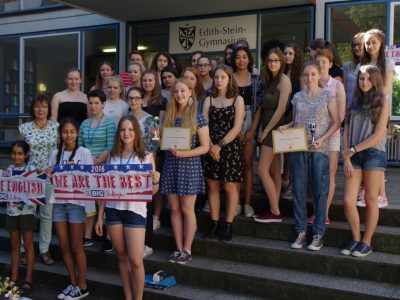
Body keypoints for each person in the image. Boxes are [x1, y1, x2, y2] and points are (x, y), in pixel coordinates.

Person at [95, 116, 160, 300]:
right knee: (122, 258)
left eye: (131, 129)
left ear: (136, 132)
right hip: (113, 211)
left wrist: (156, 181)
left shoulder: (146, 155)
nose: (127, 133)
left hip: (135, 212)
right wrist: (100, 216)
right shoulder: (112, 156)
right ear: (118, 133)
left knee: (136, 260)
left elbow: (152, 191)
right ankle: (128, 296)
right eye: (123, 130)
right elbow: (104, 188)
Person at [281, 61, 339, 251]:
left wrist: (323, 139)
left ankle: (318, 233)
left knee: (319, 193)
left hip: (319, 151)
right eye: (306, 75)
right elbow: (295, 121)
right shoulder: (297, 97)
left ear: (318, 75)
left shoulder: (328, 96)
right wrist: (286, 127)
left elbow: (337, 122)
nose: (309, 78)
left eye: (313, 74)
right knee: (298, 191)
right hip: (299, 149)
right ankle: (301, 232)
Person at [160, 79, 210, 264]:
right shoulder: (169, 116)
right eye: (176, 91)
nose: (179, 94)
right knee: (174, 209)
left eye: (183, 91)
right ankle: (178, 247)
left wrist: (184, 153)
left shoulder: (198, 117)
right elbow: (162, 143)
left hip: (189, 166)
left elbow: (205, 147)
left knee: (187, 209)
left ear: (190, 93)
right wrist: (157, 139)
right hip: (171, 165)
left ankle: (187, 249)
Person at [341, 65, 389, 258]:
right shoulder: (353, 103)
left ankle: (367, 242)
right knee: (348, 201)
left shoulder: (382, 102)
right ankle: (355, 238)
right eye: (361, 79)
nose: (365, 82)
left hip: (373, 154)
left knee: (370, 199)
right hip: (353, 155)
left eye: (369, 79)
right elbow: (345, 131)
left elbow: (378, 136)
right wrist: (346, 156)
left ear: (375, 80)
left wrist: (352, 150)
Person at [47, 118, 95, 300]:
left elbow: (90, 179)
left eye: (72, 131)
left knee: (76, 246)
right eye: (65, 132)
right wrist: (50, 175)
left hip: (76, 204)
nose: (68, 135)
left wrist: (78, 171)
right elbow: (54, 179)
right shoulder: (55, 154)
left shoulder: (84, 152)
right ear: (61, 134)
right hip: (59, 202)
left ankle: (83, 285)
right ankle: (73, 283)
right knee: (64, 245)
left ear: (77, 133)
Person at [202, 65, 245, 241]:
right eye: (217, 77)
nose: (219, 80)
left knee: (229, 186)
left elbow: (237, 127)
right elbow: (203, 124)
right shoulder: (208, 100)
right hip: (210, 146)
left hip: (230, 148)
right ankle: (214, 224)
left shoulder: (238, 99)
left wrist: (219, 146)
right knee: (212, 186)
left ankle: (228, 224)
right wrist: (211, 145)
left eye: (223, 77)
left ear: (229, 79)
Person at [19, 95, 58, 266]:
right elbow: (20, 154)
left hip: (49, 177)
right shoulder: (24, 128)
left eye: (43, 106)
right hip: (29, 177)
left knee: (46, 215)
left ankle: (44, 250)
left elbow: (59, 153)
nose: (40, 110)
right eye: (36, 106)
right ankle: (23, 250)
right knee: (26, 214)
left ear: (49, 109)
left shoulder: (56, 127)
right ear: (32, 109)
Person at [358, 28, 396, 208]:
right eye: (367, 43)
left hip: (380, 108)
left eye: (373, 42)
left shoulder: (387, 62)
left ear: (381, 43)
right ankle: (366, 191)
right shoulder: (362, 63)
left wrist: (375, 101)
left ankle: (382, 194)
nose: (370, 45)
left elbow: (386, 87)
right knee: (366, 146)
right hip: (364, 109)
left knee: (377, 148)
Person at [308, 49, 345, 224]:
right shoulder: (310, 83)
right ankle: (316, 212)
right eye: (318, 61)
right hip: (312, 137)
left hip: (331, 136)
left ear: (330, 64)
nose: (321, 64)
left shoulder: (337, 86)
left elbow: (341, 116)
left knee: (328, 175)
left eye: (325, 61)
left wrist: (325, 134)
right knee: (314, 175)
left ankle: (324, 214)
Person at [255, 48, 291, 223]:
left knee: (261, 170)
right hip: (268, 127)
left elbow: (282, 109)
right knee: (275, 170)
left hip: (274, 129)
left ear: (282, 62)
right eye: (270, 60)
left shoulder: (284, 80)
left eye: (276, 60)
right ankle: (273, 207)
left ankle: (275, 212)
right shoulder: (269, 80)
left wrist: (266, 130)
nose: (273, 63)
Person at [78, 89, 116, 251]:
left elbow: (110, 145)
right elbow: (80, 145)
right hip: (87, 168)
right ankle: (87, 236)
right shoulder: (84, 123)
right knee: (88, 200)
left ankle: (108, 237)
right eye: (91, 103)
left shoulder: (109, 122)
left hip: (104, 167)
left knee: (104, 200)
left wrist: (98, 159)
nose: (93, 106)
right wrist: (86, 161)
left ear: (103, 104)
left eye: (96, 103)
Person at [232, 45, 264, 217]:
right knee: (236, 165)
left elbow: (260, 106)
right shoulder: (229, 78)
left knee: (247, 164)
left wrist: (253, 129)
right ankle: (236, 202)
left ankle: (247, 203)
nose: (241, 60)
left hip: (251, 120)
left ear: (249, 59)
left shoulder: (257, 79)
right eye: (238, 57)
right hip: (232, 123)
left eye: (244, 57)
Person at [127, 86, 158, 257]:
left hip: (145, 162)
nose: (134, 101)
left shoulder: (151, 119)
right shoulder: (125, 119)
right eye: (131, 98)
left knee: (147, 203)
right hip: (127, 165)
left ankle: (148, 243)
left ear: (142, 99)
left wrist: (147, 161)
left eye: (137, 98)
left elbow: (156, 142)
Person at [5, 140, 36, 295]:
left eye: (19, 154)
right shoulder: (8, 170)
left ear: (26, 155)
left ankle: (28, 279)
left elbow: (38, 187)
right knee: (14, 244)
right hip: (12, 211)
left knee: (28, 244)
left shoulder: (32, 169)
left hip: (28, 212)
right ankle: (14, 277)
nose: (16, 157)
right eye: (14, 153)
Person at [281, 43, 304, 199]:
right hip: (280, 114)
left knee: (291, 152)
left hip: (293, 115)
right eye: (285, 53)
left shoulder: (300, 73)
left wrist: (292, 117)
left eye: (290, 53)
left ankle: (290, 184)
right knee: (282, 151)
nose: (287, 56)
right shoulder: (281, 71)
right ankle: (283, 179)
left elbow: (301, 96)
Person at [342, 33, 364, 109]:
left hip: (365, 107)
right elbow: (343, 90)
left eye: (359, 44)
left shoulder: (372, 65)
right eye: (354, 45)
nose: (356, 48)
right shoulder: (347, 66)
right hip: (349, 107)